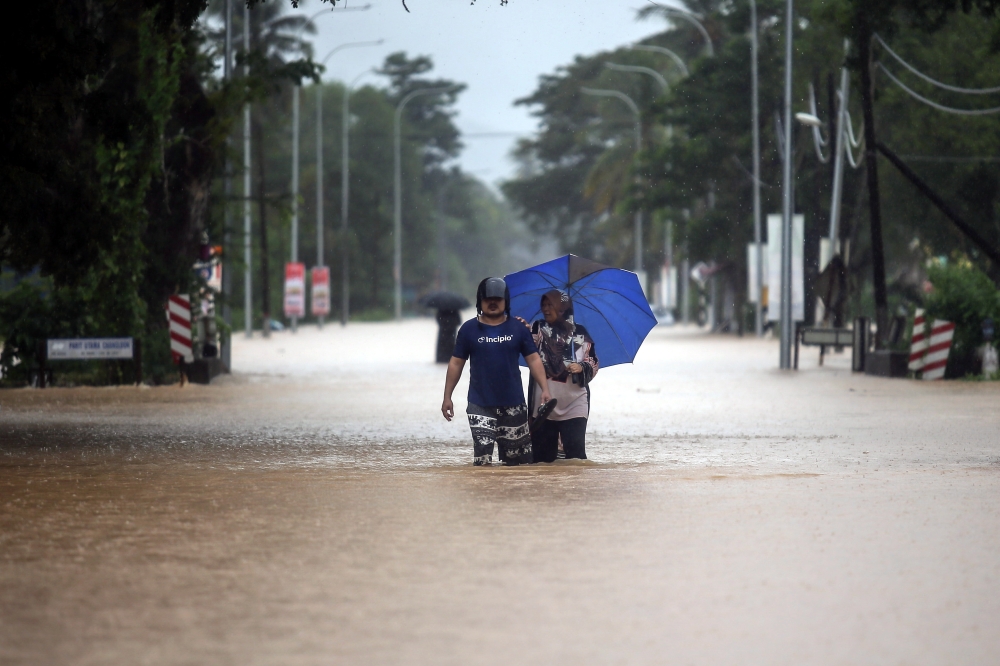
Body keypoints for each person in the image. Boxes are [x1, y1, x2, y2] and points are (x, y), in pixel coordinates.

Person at [441, 277, 552, 466]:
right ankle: (484, 494)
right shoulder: (468, 329)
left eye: (498, 299)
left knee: (516, 463)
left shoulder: (518, 328)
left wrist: (545, 389)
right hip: (480, 404)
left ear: (506, 301)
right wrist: (447, 397)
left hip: (513, 403)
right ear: (479, 302)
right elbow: (456, 364)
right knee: (483, 460)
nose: (492, 303)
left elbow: (533, 359)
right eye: (487, 299)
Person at [527, 289, 599, 462]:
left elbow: (594, 361)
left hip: (575, 402)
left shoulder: (580, 333)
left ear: (562, 308)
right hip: (544, 404)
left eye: (550, 304)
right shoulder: (537, 329)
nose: (545, 309)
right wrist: (521, 330)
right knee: (542, 461)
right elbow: (526, 348)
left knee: (576, 459)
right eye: (543, 305)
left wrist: (581, 367)